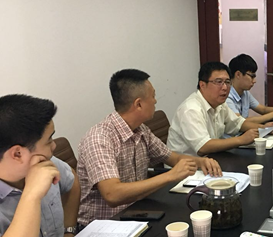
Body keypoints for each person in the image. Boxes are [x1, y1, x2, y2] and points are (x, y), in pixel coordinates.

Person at [78, 69, 221, 226]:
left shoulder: (141, 130)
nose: (155, 101)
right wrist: (170, 175)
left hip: (137, 213)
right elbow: (112, 194)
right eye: (153, 96)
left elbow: (172, 158)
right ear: (138, 104)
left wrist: (201, 162)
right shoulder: (99, 138)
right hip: (104, 226)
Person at [0, 94, 80, 237]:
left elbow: (72, 180)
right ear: (17, 153)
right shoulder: (38, 170)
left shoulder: (43, 163)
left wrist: (69, 231)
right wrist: (31, 194)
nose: (54, 146)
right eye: (49, 140)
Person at [167, 61, 273, 156]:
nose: (225, 87)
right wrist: (241, 140)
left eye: (227, 82)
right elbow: (203, 147)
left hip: (211, 160)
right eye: (219, 82)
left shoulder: (219, 104)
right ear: (202, 85)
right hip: (186, 169)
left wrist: (263, 128)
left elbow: (238, 123)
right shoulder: (191, 109)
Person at [226, 54, 273, 123]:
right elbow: (240, 122)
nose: (254, 81)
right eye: (252, 76)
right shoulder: (226, 96)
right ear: (238, 74)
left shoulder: (245, 93)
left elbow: (263, 109)